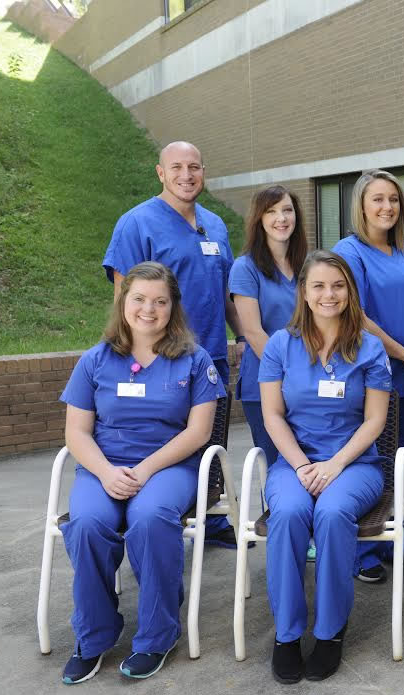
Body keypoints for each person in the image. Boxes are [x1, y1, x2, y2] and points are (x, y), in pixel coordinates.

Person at [58, 262, 225, 684]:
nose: (148, 309)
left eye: (160, 301)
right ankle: (94, 636)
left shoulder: (194, 359)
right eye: (139, 299)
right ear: (122, 301)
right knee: (88, 524)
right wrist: (106, 472)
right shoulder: (95, 360)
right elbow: (76, 433)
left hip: (169, 464)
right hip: (103, 465)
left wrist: (146, 468)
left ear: (173, 307)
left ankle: (157, 635)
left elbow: (199, 431)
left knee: (150, 519)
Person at [258, 250, 392, 684]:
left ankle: (331, 630)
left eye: (337, 285)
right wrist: (300, 465)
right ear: (303, 292)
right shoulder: (281, 344)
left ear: (349, 291)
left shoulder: (369, 347)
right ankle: (287, 633)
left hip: (354, 464)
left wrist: (334, 464)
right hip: (294, 463)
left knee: (333, 513)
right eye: (318, 285)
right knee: (290, 513)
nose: (328, 294)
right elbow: (273, 415)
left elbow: (375, 421)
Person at [102, 141, 240, 547]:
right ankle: (148, 516)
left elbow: (226, 293)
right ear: (160, 173)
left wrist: (249, 337)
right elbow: (124, 299)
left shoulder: (214, 225)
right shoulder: (136, 223)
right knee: (160, 440)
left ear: (203, 172)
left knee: (211, 441)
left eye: (194, 166)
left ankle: (210, 520)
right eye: (176, 167)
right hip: (159, 359)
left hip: (210, 355)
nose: (186, 175)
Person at [334, 170, 404, 584]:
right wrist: (401, 352)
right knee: (373, 459)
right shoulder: (350, 251)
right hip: (377, 372)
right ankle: (367, 548)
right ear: (361, 205)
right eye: (377, 199)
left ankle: (403, 538)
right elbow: (354, 314)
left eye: (393, 199)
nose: (387, 207)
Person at [229, 185, 307, 466]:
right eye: (271, 211)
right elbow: (252, 332)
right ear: (259, 219)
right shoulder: (245, 267)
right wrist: (291, 374)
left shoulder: (307, 266)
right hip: (267, 381)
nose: (281, 218)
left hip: (306, 381)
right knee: (276, 469)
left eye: (287, 210)